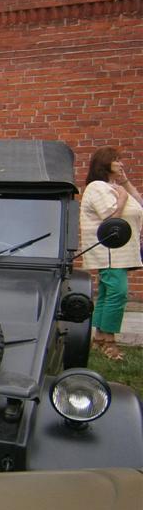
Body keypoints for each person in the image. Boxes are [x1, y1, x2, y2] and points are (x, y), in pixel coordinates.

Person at [79, 146, 142, 362]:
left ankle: (99, 337)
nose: (122, 164)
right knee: (118, 293)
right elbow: (110, 219)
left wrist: (125, 185)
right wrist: (122, 198)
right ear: (105, 163)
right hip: (109, 250)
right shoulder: (97, 187)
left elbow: (140, 204)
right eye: (117, 160)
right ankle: (109, 341)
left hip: (120, 250)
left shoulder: (114, 186)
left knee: (107, 293)